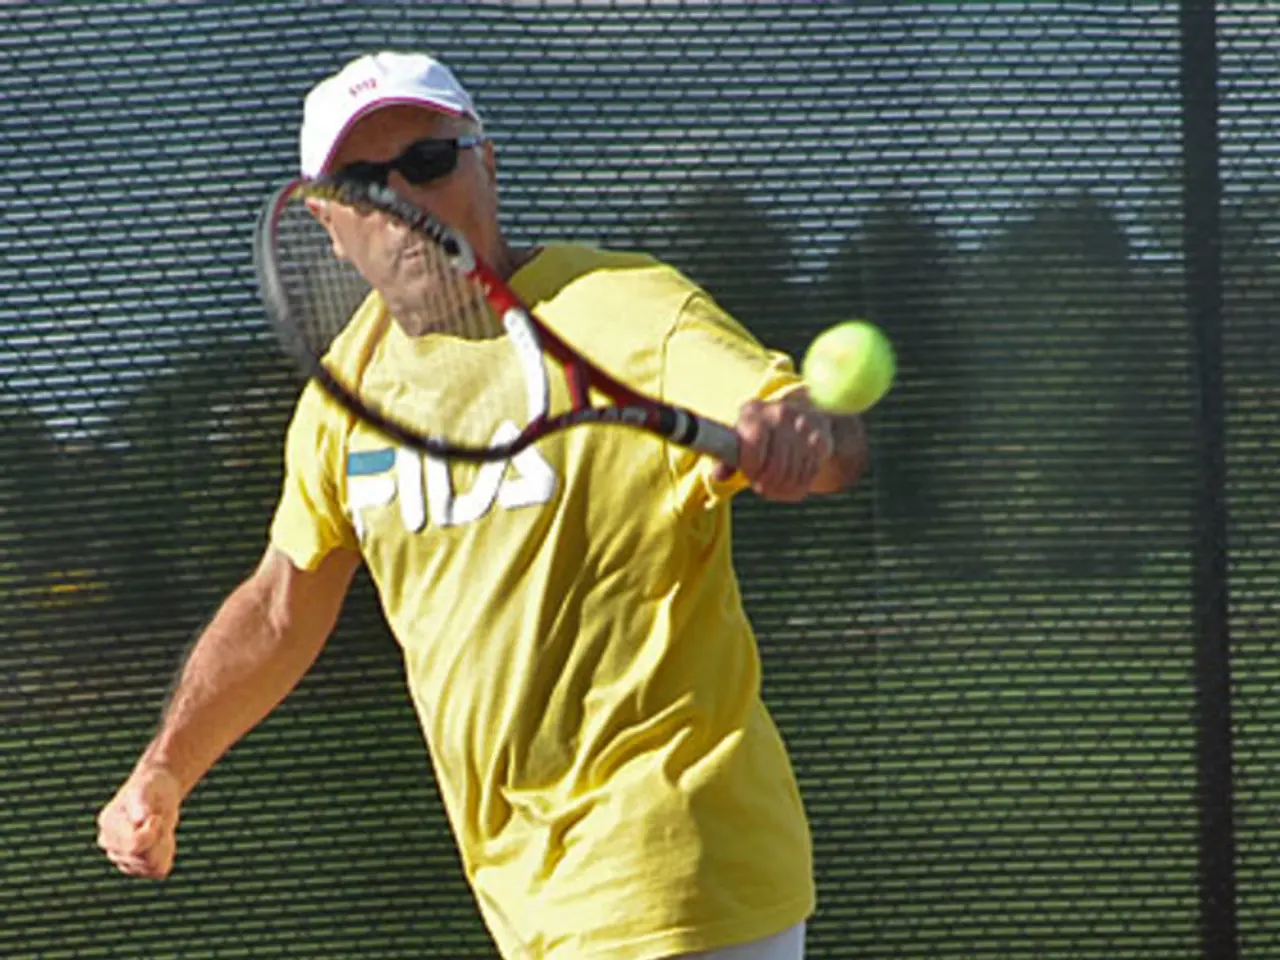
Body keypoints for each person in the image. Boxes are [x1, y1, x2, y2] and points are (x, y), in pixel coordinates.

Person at [96, 51, 868, 960]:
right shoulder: (347, 397)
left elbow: (813, 432)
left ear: (485, 164)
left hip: (678, 871)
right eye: (361, 183)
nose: (401, 201)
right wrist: (165, 768)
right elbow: (278, 607)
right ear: (328, 226)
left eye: (428, 162)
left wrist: (802, 433)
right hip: (525, 900)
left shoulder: (625, 310)